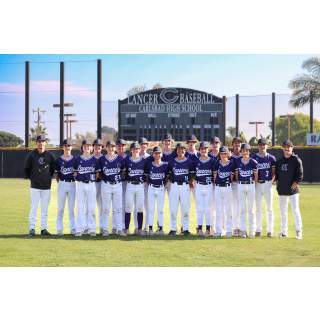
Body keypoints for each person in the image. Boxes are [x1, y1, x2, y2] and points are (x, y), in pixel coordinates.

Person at [24, 134, 55, 237]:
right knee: (34, 208)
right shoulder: (31, 155)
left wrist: (47, 178)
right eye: (39, 141)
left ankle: (43, 229)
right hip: (35, 187)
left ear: (45, 143)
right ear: (36, 143)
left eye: (42, 141)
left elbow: (52, 170)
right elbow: (26, 170)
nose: (40, 143)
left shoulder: (50, 156)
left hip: (46, 187)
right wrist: (33, 179)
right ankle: (32, 228)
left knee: (45, 209)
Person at [275, 139, 303, 240]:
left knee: (295, 211)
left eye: (289, 148)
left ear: (292, 148)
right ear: (283, 149)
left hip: (293, 191)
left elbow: (300, 175)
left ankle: (299, 231)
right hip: (282, 191)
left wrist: (295, 184)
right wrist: (278, 186)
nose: (287, 150)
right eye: (285, 148)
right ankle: (284, 232)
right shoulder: (279, 161)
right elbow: (277, 176)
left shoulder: (296, 160)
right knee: (283, 212)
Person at [99, 140, 126, 236]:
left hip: (117, 185)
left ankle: (119, 229)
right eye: (109, 147)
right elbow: (99, 173)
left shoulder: (120, 159)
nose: (111, 149)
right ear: (106, 148)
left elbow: (123, 172)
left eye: (113, 147)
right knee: (106, 208)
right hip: (106, 185)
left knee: (118, 208)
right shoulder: (102, 159)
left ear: (115, 148)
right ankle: (105, 229)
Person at [74, 140, 100, 237]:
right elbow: (75, 172)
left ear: (91, 148)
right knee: (80, 207)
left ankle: (92, 229)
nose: (87, 148)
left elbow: (97, 173)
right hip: (80, 184)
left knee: (91, 207)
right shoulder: (77, 159)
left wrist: (91, 180)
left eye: (88, 146)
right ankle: (79, 229)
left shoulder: (94, 160)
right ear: (82, 148)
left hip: (91, 184)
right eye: (85, 146)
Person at [167, 143, 195, 236]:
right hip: (174, 185)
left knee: (185, 209)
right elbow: (169, 175)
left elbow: (192, 175)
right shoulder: (171, 162)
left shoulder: (189, 162)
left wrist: (191, 182)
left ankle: (185, 229)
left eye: (182, 149)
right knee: (173, 209)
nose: (181, 151)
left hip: (185, 186)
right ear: (176, 150)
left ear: (185, 150)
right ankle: (173, 229)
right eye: (179, 149)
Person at [251, 138, 276, 237]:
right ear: (258, 146)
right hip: (257, 184)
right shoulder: (253, 158)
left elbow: (274, 173)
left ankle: (270, 230)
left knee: (269, 208)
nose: (262, 146)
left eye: (264, 144)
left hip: (268, 184)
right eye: (260, 144)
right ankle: (258, 229)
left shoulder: (271, 158)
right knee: (258, 208)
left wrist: (271, 182)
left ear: (267, 146)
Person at [124, 142, 147, 235]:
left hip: (140, 185)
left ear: (139, 150)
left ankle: (139, 229)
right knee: (128, 207)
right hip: (130, 185)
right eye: (133, 149)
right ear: (131, 150)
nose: (135, 150)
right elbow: (124, 172)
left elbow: (146, 173)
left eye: (137, 149)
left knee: (140, 208)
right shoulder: (127, 160)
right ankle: (126, 229)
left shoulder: (143, 160)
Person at [145, 146, 170, 235]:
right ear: (153, 154)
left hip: (160, 188)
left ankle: (160, 228)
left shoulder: (165, 165)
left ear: (161, 154)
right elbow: (147, 177)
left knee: (160, 210)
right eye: (156, 153)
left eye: (159, 153)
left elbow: (167, 177)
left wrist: (164, 184)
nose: (157, 155)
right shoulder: (149, 164)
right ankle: (151, 228)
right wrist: (150, 185)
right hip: (151, 188)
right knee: (151, 209)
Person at [235, 143, 258, 238]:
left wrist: (253, 184)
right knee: (242, 209)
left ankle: (252, 230)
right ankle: (243, 230)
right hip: (241, 185)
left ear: (249, 151)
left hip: (250, 185)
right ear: (241, 151)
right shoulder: (237, 161)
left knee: (251, 209)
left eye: (247, 150)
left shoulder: (253, 162)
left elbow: (256, 175)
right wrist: (239, 182)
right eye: (243, 150)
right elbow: (236, 174)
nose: (245, 152)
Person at [193, 141, 215, 237]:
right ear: (199, 150)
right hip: (199, 185)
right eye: (202, 148)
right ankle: (200, 229)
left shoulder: (212, 160)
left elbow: (214, 174)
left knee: (208, 208)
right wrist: (193, 181)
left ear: (208, 149)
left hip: (209, 185)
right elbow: (193, 174)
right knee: (200, 208)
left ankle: (208, 229)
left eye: (205, 148)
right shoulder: (196, 161)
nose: (203, 150)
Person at [55, 138, 77, 236]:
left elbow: (77, 173)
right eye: (65, 146)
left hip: (72, 184)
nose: (67, 147)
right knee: (60, 208)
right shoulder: (58, 160)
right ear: (63, 147)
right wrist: (61, 182)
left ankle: (73, 228)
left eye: (69, 145)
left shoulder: (75, 159)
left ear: (71, 147)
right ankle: (59, 229)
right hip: (62, 184)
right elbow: (57, 176)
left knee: (71, 208)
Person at [213, 146, 235, 238]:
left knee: (228, 210)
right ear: (220, 154)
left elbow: (232, 178)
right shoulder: (216, 163)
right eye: (221, 153)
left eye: (225, 153)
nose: (223, 155)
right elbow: (214, 177)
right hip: (218, 187)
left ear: (228, 154)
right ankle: (218, 230)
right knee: (218, 210)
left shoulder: (231, 163)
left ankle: (229, 230)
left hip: (227, 187)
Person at [114, 138, 128, 231]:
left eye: (122, 146)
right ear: (116, 147)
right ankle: (115, 226)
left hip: (127, 183)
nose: (120, 147)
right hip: (116, 184)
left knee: (124, 205)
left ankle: (122, 226)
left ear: (125, 147)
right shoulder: (112, 157)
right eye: (118, 146)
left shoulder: (128, 158)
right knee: (115, 206)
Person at [208, 136, 221, 235]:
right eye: (213, 143)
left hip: (222, 185)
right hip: (210, 184)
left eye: (217, 143)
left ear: (219, 144)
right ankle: (212, 229)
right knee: (211, 207)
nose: (215, 145)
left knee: (221, 207)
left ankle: (222, 228)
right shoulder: (207, 155)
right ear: (210, 145)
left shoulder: (224, 155)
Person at [230, 137, 242, 237]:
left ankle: (241, 228)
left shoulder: (244, 156)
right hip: (232, 184)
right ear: (232, 144)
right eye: (235, 143)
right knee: (233, 207)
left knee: (241, 207)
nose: (237, 145)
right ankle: (234, 228)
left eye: (239, 143)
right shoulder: (229, 156)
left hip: (243, 184)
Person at [92, 139, 104, 235]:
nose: (97, 148)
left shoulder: (104, 158)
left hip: (101, 184)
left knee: (101, 207)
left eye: (99, 146)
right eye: (96, 146)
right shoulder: (89, 158)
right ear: (93, 147)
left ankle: (102, 227)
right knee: (90, 207)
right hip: (91, 184)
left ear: (102, 147)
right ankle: (90, 227)